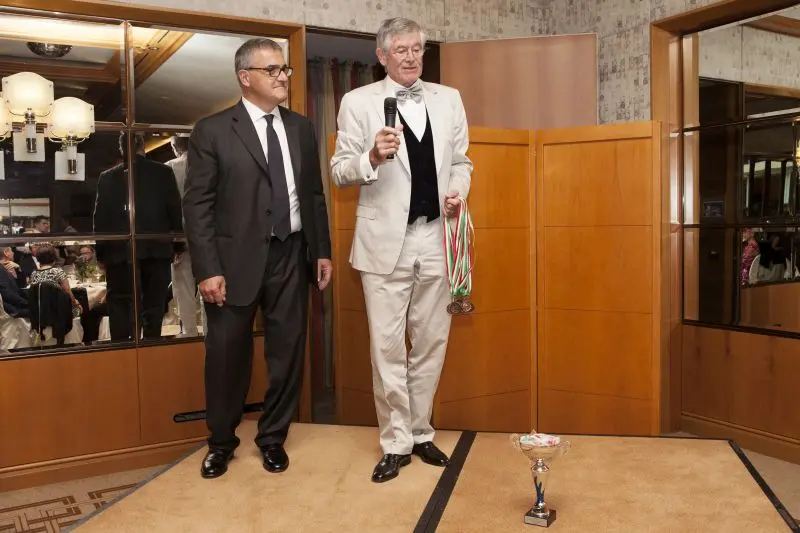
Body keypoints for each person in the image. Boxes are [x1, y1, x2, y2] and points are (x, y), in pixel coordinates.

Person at [330, 17, 473, 483]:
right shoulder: (358, 102)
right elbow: (339, 170)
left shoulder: (449, 98)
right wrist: (371, 157)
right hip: (383, 243)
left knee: (431, 343)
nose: (411, 57)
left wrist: (457, 191)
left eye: (417, 49)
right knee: (387, 347)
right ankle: (395, 442)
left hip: (436, 237)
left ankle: (420, 432)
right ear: (382, 56)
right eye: (401, 50)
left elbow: (462, 161)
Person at [184, 38, 333, 479]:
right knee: (227, 357)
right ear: (245, 77)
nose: (283, 77)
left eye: (284, 69)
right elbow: (198, 205)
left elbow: (314, 195)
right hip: (232, 263)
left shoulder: (301, 128)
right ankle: (221, 443)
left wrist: (321, 251)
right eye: (272, 70)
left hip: (292, 254)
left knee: (287, 353)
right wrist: (208, 268)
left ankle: (272, 438)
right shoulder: (213, 130)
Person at [93, 132, 184, 340]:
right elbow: (174, 209)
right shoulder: (163, 172)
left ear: (121, 149)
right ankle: (150, 346)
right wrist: (178, 245)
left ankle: (121, 348)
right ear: (143, 146)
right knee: (154, 302)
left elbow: (100, 218)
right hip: (156, 247)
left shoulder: (107, 177)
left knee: (120, 302)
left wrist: (101, 254)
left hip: (119, 250)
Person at [166, 134, 203, 337]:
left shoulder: (169, 167)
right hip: (206, 233)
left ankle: (189, 331)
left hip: (179, 233)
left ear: (174, 146)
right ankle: (209, 329)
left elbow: (166, 206)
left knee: (183, 285)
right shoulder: (207, 164)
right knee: (209, 282)